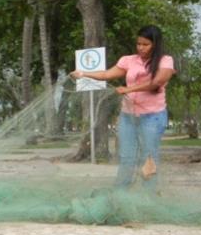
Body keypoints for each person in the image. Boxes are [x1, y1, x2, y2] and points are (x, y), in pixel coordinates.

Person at [70, 25, 176, 190]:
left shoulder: (165, 61)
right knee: (126, 156)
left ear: (155, 44)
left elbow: (157, 82)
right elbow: (106, 74)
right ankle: (121, 193)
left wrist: (129, 89)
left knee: (148, 156)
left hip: (153, 116)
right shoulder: (128, 60)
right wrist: (83, 73)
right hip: (128, 116)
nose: (141, 47)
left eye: (145, 44)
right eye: (138, 44)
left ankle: (148, 195)